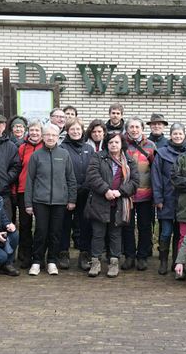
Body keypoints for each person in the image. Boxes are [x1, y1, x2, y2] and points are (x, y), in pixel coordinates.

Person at [24, 124, 77, 276]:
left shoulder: (64, 154)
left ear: (58, 137)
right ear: (43, 137)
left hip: (60, 202)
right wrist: (28, 203)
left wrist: (72, 199)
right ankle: (36, 261)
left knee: (55, 232)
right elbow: (30, 181)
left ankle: (52, 261)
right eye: (47, 135)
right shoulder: (36, 156)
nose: (50, 138)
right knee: (40, 231)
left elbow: (71, 179)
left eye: (53, 135)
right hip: (40, 201)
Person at [84, 132, 139, 278]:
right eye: (110, 142)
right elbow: (92, 175)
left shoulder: (129, 160)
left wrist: (120, 192)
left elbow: (135, 182)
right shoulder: (98, 157)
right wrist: (105, 190)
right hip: (99, 202)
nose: (113, 145)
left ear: (122, 144)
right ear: (106, 144)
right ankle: (95, 263)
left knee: (115, 235)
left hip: (119, 203)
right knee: (98, 234)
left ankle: (114, 263)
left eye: (116, 142)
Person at [151, 123, 186, 275]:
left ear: (184, 135)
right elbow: (156, 177)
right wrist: (158, 198)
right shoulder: (161, 153)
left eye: (180, 134)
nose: (178, 136)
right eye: (175, 134)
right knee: (165, 232)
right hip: (166, 198)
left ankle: (176, 261)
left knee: (180, 233)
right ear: (170, 135)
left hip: (184, 200)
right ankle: (163, 261)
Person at [59, 117, 94, 270]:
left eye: (78, 129)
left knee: (85, 224)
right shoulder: (62, 148)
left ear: (82, 130)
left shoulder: (89, 148)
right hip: (67, 193)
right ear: (67, 131)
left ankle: (84, 254)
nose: (75, 131)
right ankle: (63, 253)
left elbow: (93, 170)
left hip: (86, 192)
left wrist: (87, 185)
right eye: (72, 129)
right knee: (65, 224)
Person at [121, 117, 156, 270]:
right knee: (127, 226)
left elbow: (155, 169)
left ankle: (142, 256)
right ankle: (129, 256)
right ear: (127, 129)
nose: (134, 130)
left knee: (144, 226)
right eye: (131, 127)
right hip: (127, 194)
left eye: (137, 127)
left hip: (145, 194)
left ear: (142, 129)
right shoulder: (121, 145)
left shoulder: (150, 146)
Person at [16, 120, 44, 269]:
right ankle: (25, 256)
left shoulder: (46, 147)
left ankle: (38, 256)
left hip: (40, 191)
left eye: (37, 130)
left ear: (42, 132)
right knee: (25, 225)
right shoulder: (22, 148)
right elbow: (18, 168)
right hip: (23, 190)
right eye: (32, 130)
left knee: (41, 226)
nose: (34, 133)